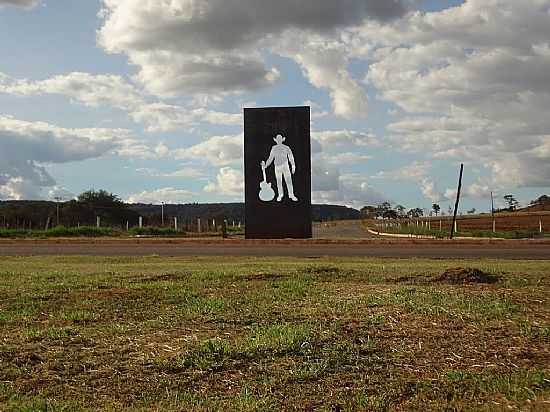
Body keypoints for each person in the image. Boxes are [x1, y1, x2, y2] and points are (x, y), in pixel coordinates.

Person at [262, 134, 298, 202]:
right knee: (279, 181)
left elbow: (291, 157)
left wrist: (293, 165)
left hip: (285, 166)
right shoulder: (274, 148)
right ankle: (280, 194)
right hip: (277, 167)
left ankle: (291, 194)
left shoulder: (286, 147)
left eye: (280, 139)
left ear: (282, 140)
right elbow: (270, 158)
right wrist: (266, 165)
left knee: (289, 181)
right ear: (276, 140)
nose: (279, 140)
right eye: (277, 139)